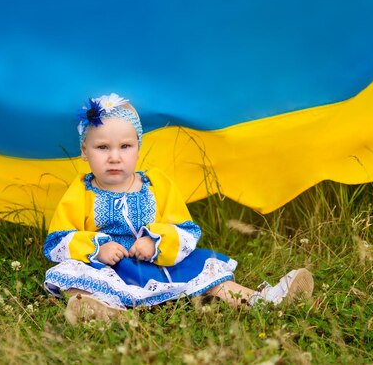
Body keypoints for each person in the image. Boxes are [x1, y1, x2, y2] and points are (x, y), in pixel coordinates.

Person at [43, 93, 314, 321]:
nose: (115, 157)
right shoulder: (81, 191)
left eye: (125, 146)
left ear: (138, 148)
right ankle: (104, 311)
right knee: (69, 275)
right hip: (110, 269)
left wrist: (155, 242)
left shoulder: (156, 184)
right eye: (102, 147)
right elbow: (59, 239)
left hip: (159, 263)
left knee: (213, 279)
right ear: (84, 151)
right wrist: (97, 248)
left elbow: (185, 229)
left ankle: (264, 300)